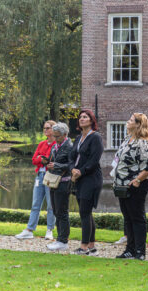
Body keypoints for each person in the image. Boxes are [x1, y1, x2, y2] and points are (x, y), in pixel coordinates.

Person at [112, 113, 148, 260]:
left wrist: (137, 180)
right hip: (122, 186)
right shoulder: (127, 140)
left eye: (131, 120)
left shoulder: (142, 143)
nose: (128, 121)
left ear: (138, 124)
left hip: (136, 185)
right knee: (127, 217)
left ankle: (140, 251)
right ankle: (129, 250)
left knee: (137, 217)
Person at [15, 120, 56, 240]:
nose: (45, 130)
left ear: (53, 129)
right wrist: (41, 159)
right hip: (40, 175)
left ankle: (49, 230)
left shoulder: (56, 145)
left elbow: (51, 159)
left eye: (47, 128)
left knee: (51, 205)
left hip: (50, 176)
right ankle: (29, 230)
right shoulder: (42, 144)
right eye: (44, 128)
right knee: (35, 204)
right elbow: (34, 159)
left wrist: (42, 159)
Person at [70, 109, 103, 256]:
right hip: (79, 178)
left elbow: (94, 160)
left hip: (91, 178)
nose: (82, 119)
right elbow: (71, 157)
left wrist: (81, 171)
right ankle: (92, 246)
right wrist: (72, 169)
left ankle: (83, 248)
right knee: (86, 212)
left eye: (85, 117)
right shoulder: (78, 138)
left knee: (84, 212)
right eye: (80, 117)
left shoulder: (95, 137)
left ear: (91, 120)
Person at [45, 122, 73, 252]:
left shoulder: (69, 147)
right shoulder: (56, 146)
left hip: (64, 182)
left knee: (62, 211)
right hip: (53, 181)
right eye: (54, 136)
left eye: (57, 136)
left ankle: (63, 241)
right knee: (56, 210)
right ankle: (59, 238)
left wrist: (56, 165)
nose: (55, 139)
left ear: (65, 134)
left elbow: (72, 164)